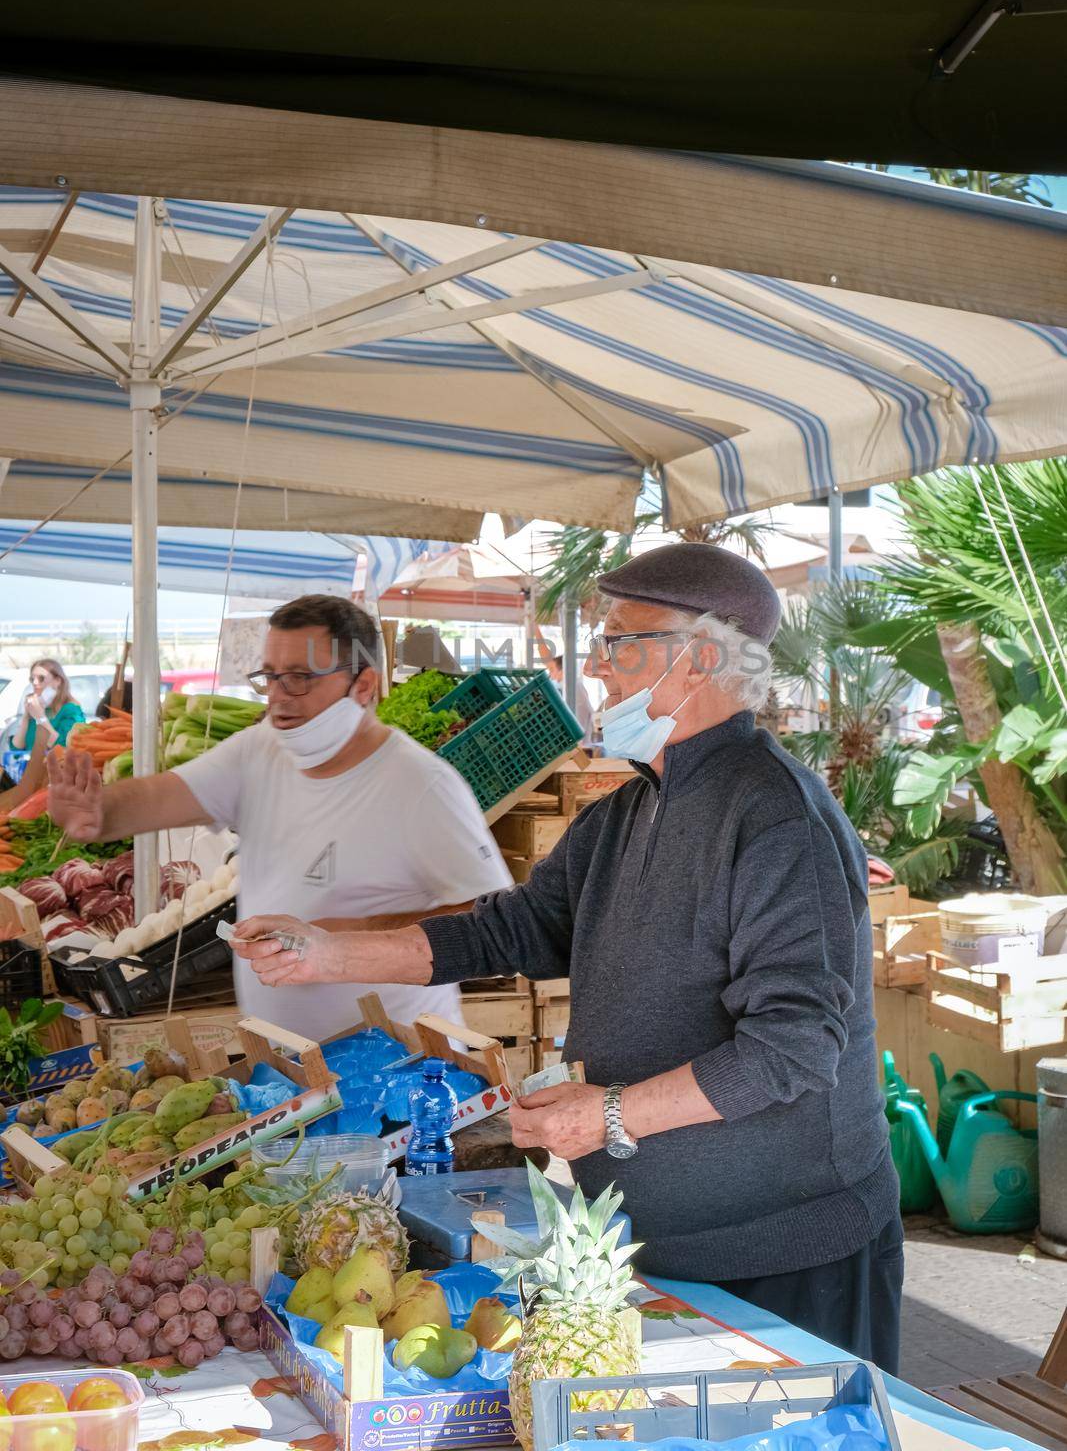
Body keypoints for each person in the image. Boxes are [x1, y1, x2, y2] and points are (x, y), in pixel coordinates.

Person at [228, 544, 903, 1372]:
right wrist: (325, 952)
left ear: (698, 658)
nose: (596, 666)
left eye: (620, 642)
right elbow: (506, 931)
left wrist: (609, 1115)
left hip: (784, 1256)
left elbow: (793, 1048)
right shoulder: (624, 813)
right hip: (652, 1239)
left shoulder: (775, 817)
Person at [47, 595, 512, 1039]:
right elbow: (160, 798)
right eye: (268, 676)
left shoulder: (421, 786)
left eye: (299, 677)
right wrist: (99, 812)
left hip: (396, 1074)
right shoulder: (259, 750)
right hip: (286, 1069)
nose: (278, 697)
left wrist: (341, 935)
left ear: (364, 685)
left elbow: (498, 922)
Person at [10, 660, 85, 761]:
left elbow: (63, 747)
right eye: (32, 679)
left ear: (58, 681)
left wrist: (41, 718)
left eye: (41, 678)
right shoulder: (41, 709)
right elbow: (16, 750)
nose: (35, 683)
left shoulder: (71, 710)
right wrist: (26, 716)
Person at [546, 654, 595, 741]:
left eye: (552, 670)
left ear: (562, 670)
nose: (550, 675)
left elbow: (581, 715)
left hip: (579, 740)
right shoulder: (568, 686)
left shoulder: (572, 687)